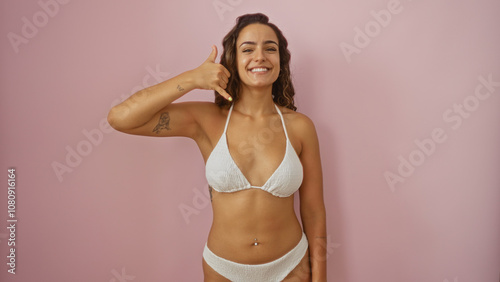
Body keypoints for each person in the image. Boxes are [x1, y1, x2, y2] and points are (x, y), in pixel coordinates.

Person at [107, 13, 326, 282]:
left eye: (271, 48)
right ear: (233, 61)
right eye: (248, 49)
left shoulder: (300, 126)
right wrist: (191, 79)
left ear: (281, 61)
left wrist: (320, 276)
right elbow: (120, 118)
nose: (260, 56)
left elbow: (314, 211)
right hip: (224, 270)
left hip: (291, 267)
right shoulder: (206, 120)